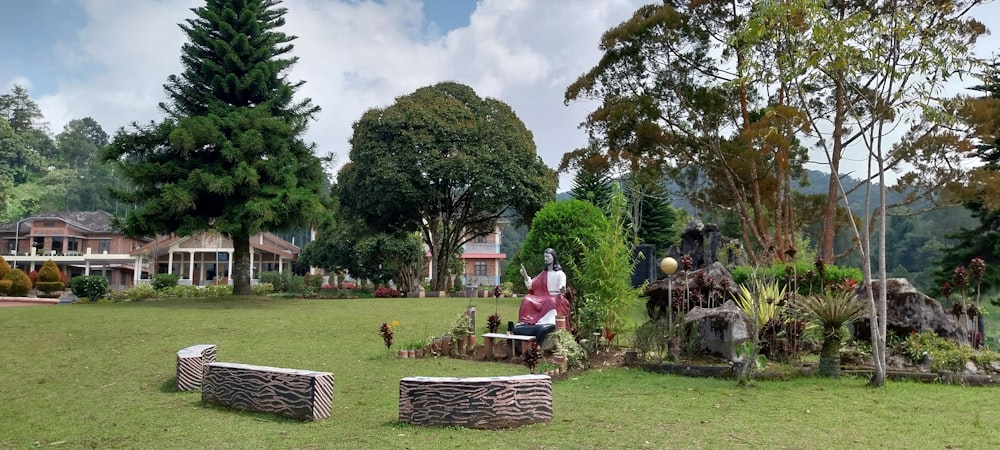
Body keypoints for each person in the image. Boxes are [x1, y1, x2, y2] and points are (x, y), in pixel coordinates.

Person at [513, 248, 571, 353]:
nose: (546, 259)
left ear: (553, 258)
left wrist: (562, 289)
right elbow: (531, 285)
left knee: (551, 301)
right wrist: (525, 276)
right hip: (543, 298)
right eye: (545, 257)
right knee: (527, 299)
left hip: (556, 298)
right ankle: (526, 322)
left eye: (548, 257)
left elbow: (562, 288)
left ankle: (547, 321)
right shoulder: (543, 274)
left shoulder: (560, 274)